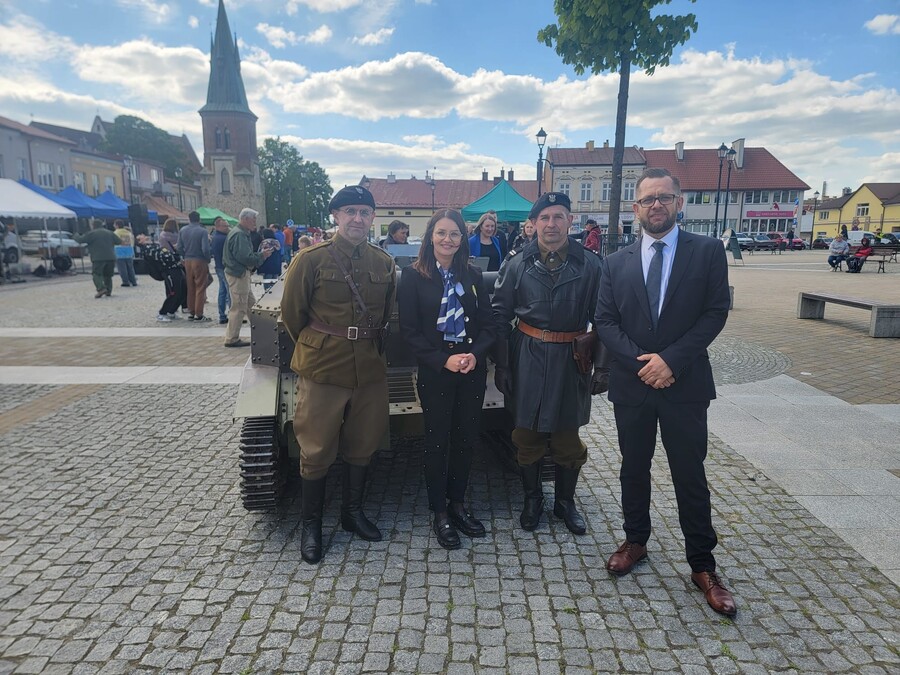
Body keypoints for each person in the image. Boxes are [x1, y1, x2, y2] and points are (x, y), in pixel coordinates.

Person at [595, 167, 736, 617]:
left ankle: (703, 564)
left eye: (664, 197)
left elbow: (715, 312)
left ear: (679, 202)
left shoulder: (707, 252)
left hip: (685, 383)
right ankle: (635, 540)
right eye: (648, 199)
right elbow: (605, 321)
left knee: (689, 474)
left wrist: (671, 360)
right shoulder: (615, 261)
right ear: (635, 208)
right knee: (633, 468)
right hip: (633, 384)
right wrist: (645, 364)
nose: (656, 205)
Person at [281, 185, 396, 565]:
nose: (357, 218)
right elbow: (293, 315)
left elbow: (386, 314)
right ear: (336, 216)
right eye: (350, 211)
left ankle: (352, 513)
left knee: (363, 443)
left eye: (364, 212)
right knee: (315, 449)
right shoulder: (310, 259)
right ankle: (311, 524)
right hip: (324, 368)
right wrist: (320, 346)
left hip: (369, 368)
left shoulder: (383, 262)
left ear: (373, 217)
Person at [492, 192, 606, 537]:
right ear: (533, 223)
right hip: (527, 356)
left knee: (567, 437)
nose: (551, 224)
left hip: (572, 359)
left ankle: (565, 503)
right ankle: (533, 500)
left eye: (558, 217)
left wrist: (603, 366)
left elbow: (605, 319)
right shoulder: (516, 263)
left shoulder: (591, 264)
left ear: (570, 221)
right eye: (544, 218)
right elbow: (499, 316)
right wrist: (503, 365)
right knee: (526, 435)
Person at [397, 209, 496, 549]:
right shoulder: (413, 276)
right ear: (430, 236)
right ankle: (439, 511)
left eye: (454, 234)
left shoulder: (472, 274)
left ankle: (458, 504)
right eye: (441, 233)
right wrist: (443, 360)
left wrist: (475, 355)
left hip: (470, 368)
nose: (447, 239)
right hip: (437, 369)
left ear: (461, 239)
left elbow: (488, 325)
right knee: (437, 440)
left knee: (466, 439)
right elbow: (409, 331)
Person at [223, 208, 273, 347]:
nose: (255, 222)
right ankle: (231, 338)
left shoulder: (238, 232)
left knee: (251, 306)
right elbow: (245, 257)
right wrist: (262, 255)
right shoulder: (239, 235)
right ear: (245, 219)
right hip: (239, 274)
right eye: (253, 219)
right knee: (239, 307)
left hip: (239, 274)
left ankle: (262, 331)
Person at [137, 234, 186, 322]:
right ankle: (162, 313)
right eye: (141, 237)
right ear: (139, 242)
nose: (144, 236)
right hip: (169, 270)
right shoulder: (147, 249)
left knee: (183, 291)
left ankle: (172, 311)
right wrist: (175, 257)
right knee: (174, 293)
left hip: (177, 268)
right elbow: (164, 257)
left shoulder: (155, 245)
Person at [177, 211, 212, 321]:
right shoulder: (202, 231)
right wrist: (208, 259)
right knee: (200, 287)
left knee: (190, 286)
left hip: (188, 260)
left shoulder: (183, 230)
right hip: (199, 259)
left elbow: (179, 247)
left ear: (189, 219)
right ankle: (199, 313)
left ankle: (191, 311)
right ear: (199, 219)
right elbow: (205, 249)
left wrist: (184, 256)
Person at [76, 219, 121, 298]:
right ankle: (108, 291)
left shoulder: (91, 233)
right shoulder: (110, 232)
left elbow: (80, 240)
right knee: (108, 275)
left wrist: (75, 235)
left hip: (98, 258)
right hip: (111, 257)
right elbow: (118, 241)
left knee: (96, 274)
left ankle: (101, 289)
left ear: (93, 225)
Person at [210, 217, 231, 324]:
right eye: (225, 226)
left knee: (222, 291)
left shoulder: (215, 237)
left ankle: (222, 315)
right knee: (229, 291)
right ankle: (232, 314)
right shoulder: (224, 238)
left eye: (227, 225)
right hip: (225, 267)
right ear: (218, 227)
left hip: (219, 266)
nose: (227, 228)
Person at [112, 220, 137, 287]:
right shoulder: (128, 232)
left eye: (114, 224)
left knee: (122, 268)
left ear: (117, 225)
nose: (113, 226)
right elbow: (133, 241)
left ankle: (125, 281)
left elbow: (113, 242)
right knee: (130, 268)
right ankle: (133, 281)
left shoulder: (115, 233)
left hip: (119, 252)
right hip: (129, 251)